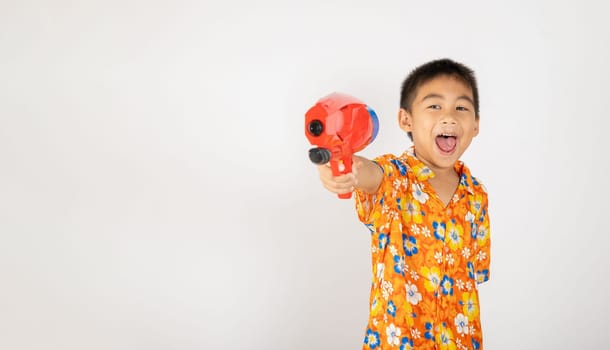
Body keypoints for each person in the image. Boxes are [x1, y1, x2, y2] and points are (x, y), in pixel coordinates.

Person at [317, 58, 491, 349]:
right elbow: (368, 174)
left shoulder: (476, 195)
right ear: (405, 120)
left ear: (475, 125)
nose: (449, 117)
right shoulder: (395, 178)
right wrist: (345, 169)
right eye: (434, 106)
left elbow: (474, 275)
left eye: (461, 108)